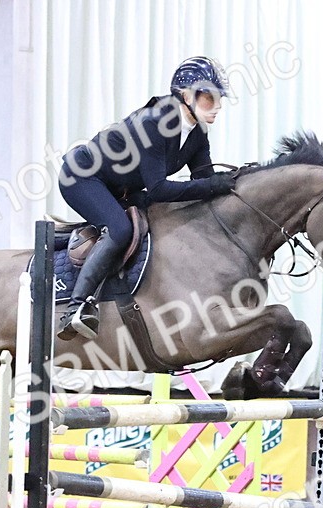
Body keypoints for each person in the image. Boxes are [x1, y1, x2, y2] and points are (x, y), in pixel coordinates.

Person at [55, 56, 237, 341]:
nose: (218, 106)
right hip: (81, 178)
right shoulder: (154, 123)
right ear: (185, 95)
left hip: (120, 187)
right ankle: (76, 308)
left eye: (219, 98)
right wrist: (214, 186)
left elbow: (204, 181)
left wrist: (232, 186)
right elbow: (159, 191)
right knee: (120, 229)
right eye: (209, 97)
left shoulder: (198, 132)